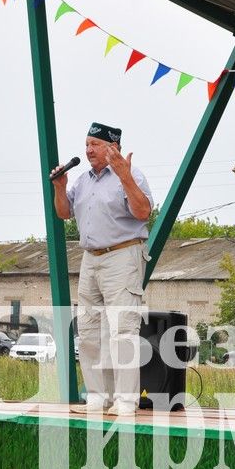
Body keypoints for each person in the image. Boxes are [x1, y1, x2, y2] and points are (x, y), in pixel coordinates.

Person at [52, 122, 153, 417]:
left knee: (123, 329)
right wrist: (60, 187)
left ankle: (125, 401)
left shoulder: (132, 174)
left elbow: (143, 211)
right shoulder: (83, 181)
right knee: (89, 330)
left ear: (113, 148)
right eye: (86, 144)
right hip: (90, 258)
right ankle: (97, 396)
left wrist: (124, 177)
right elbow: (63, 212)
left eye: (94, 144)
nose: (88, 150)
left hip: (122, 254)